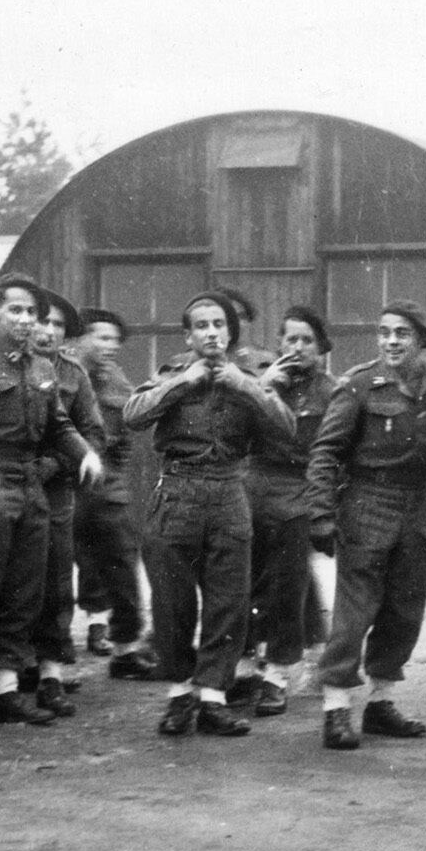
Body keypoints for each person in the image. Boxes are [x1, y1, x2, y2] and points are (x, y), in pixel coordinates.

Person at [306, 300, 426, 749]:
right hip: (367, 500)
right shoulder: (360, 385)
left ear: (423, 339)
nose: (391, 342)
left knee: (404, 609)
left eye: (402, 333)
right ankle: (336, 709)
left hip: (417, 503)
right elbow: (325, 452)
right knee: (354, 610)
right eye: (384, 333)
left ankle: (381, 704)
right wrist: (321, 513)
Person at [124, 291, 295, 737]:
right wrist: (186, 382)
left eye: (219, 324)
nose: (212, 332)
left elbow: (286, 426)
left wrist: (245, 385)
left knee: (229, 602)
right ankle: (180, 695)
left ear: (229, 331)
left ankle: (214, 698)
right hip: (177, 491)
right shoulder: (172, 372)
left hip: (228, 491)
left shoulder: (251, 375)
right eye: (202, 326)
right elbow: (133, 415)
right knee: (172, 601)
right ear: (189, 335)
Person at [0, 273, 102, 734]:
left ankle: (4, 689)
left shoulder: (43, 368)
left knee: (24, 591)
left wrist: (84, 454)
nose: (26, 320)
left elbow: (59, 425)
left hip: (30, 483)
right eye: (16, 310)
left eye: (32, 312)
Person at [230, 306, 339, 717]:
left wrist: (325, 509)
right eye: (290, 339)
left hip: (299, 493)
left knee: (287, 590)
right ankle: (242, 670)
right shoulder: (260, 381)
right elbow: (233, 428)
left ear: (322, 348)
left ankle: (277, 675)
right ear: (279, 344)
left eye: (306, 340)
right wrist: (261, 386)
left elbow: (334, 454)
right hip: (250, 488)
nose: (297, 348)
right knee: (239, 583)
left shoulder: (332, 392)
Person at [21, 289, 105, 717]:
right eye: (43, 321)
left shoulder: (73, 375)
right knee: (5, 580)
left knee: (55, 580)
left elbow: (92, 433)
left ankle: (50, 672)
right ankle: (0, 670)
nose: (49, 331)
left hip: (54, 492)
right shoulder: (1, 366)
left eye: (58, 325)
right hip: (7, 485)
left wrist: (57, 464)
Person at [71, 308, 158, 678]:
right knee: (56, 571)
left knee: (122, 562)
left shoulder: (117, 381)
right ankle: (49, 662)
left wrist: (114, 474)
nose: (109, 346)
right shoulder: (63, 373)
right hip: (66, 485)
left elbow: (124, 435)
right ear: (81, 338)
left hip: (107, 485)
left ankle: (125, 649)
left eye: (114, 340)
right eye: (101, 337)